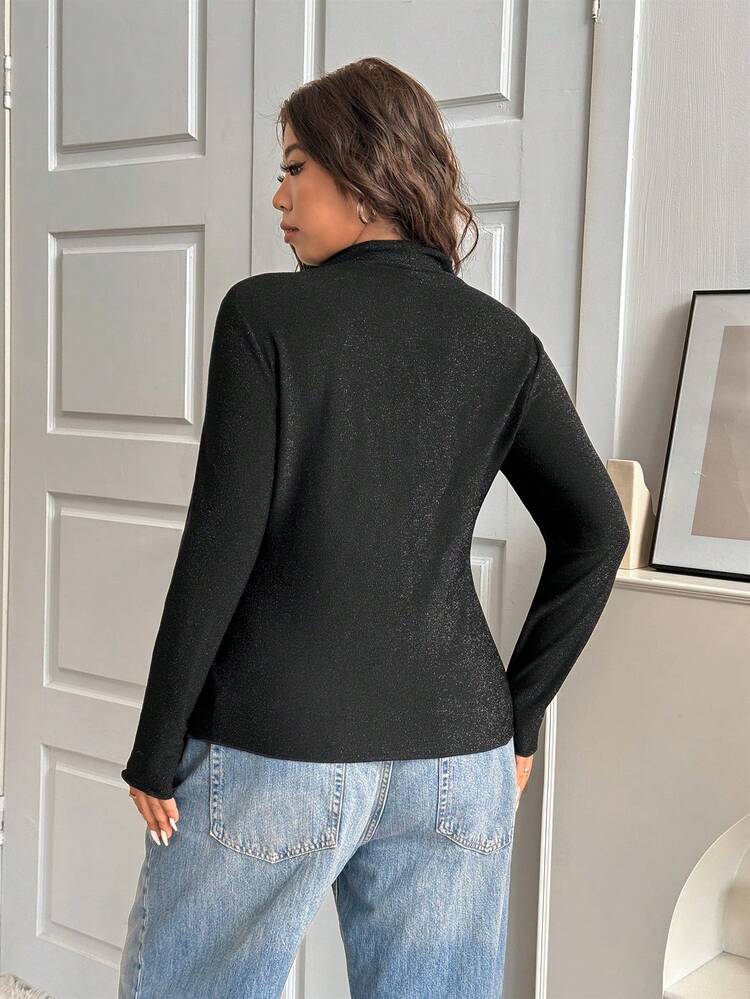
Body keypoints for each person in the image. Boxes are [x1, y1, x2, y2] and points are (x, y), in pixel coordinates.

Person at [118, 57, 630, 999]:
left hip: (276, 740)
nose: (278, 196)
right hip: (461, 759)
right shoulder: (500, 338)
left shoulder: (266, 315)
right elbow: (598, 531)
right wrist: (518, 721)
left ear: (361, 171)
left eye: (294, 166)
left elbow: (220, 542)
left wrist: (157, 743)